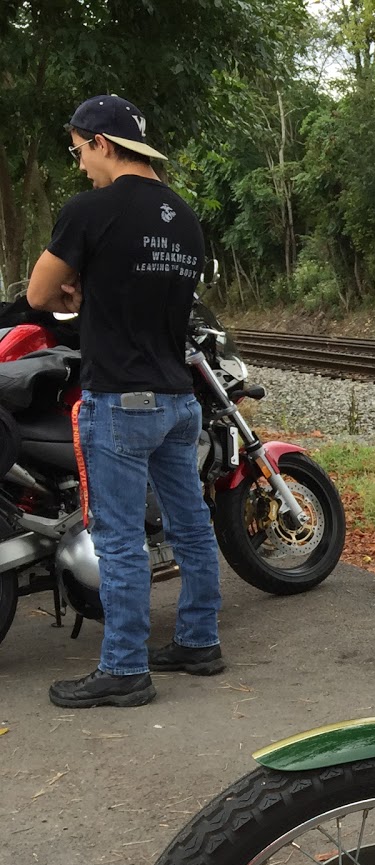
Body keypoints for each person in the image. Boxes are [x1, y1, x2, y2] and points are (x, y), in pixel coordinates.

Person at [27, 95, 224, 709]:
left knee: (117, 539)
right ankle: (198, 641)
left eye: (80, 150)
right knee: (192, 528)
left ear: (103, 143)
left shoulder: (90, 210)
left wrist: (74, 289)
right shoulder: (186, 217)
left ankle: (124, 668)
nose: (81, 163)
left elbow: (37, 295)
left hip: (120, 400)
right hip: (178, 398)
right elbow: (144, 292)